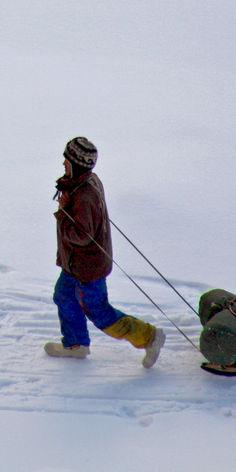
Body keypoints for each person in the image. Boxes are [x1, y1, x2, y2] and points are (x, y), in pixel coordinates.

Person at [46, 136, 166, 367]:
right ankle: (75, 345)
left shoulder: (83, 195)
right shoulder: (85, 182)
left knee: (99, 311)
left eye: (67, 161)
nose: (63, 164)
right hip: (76, 264)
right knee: (64, 295)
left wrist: (63, 212)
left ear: (77, 164)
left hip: (87, 268)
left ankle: (150, 337)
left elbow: (82, 235)